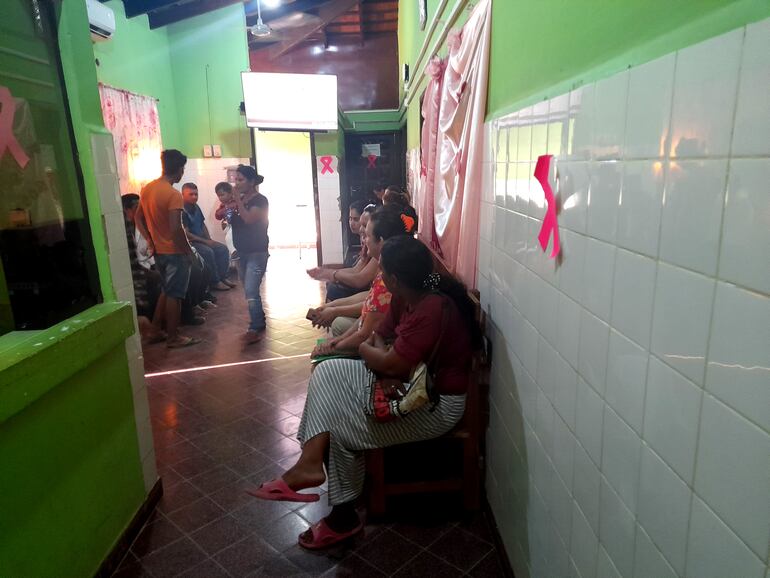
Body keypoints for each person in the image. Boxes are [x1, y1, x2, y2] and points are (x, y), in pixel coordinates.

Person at [249, 234, 482, 549]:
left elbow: (383, 354)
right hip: (410, 386)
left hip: (437, 406)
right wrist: (383, 361)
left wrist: (381, 359)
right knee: (327, 370)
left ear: (395, 279)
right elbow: (381, 338)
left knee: (340, 429)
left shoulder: (431, 308)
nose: (378, 275)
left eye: (382, 270)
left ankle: (342, 517)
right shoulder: (407, 295)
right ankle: (310, 463)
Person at [310, 207, 411, 358]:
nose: (363, 237)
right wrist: (335, 339)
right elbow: (369, 306)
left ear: (381, 241)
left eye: (367, 234)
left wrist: (334, 346)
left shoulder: (390, 278)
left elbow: (365, 332)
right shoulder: (385, 267)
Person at [134, 149, 200, 348]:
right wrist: (188, 252)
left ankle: (154, 330)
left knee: (166, 291)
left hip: (160, 253)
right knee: (175, 296)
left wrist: (151, 241)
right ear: (179, 169)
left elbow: (137, 217)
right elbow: (176, 228)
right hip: (174, 253)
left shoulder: (148, 189)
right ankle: (173, 337)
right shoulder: (173, 195)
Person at [307, 201, 378, 301]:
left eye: (365, 225)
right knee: (332, 286)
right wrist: (328, 273)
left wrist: (332, 274)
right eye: (350, 219)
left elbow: (360, 280)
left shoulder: (380, 253)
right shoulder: (368, 245)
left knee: (334, 289)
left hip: (367, 296)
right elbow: (356, 270)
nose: (361, 229)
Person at [231, 165, 270, 344]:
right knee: (249, 289)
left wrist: (237, 201)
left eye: (240, 180)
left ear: (252, 181)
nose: (237, 183)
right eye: (236, 180)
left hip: (257, 252)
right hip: (242, 252)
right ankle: (259, 318)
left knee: (251, 290)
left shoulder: (260, 201)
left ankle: (255, 326)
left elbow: (248, 219)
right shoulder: (239, 200)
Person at [181, 182, 235, 292]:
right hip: (192, 243)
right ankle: (215, 281)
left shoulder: (196, 207)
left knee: (222, 249)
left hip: (202, 240)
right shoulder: (182, 211)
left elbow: (202, 224)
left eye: (196, 194)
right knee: (208, 252)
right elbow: (186, 234)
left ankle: (222, 277)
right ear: (183, 194)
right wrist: (205, 242)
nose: (194, 197)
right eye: (191, 194)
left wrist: (208, 239)